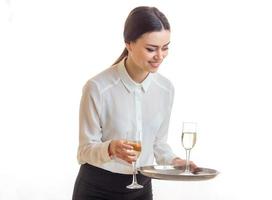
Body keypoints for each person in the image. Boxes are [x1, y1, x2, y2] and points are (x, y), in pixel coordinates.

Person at [72, 6, 198, 200]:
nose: (160, 56)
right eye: (151, 49)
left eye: (165, 48)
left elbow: (158, 143)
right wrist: (111, 148)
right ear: (129, 44)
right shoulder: (97, 87)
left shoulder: (165, 89)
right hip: (97, 190)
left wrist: (176, 161)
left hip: (141, 188)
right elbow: (84, 151)